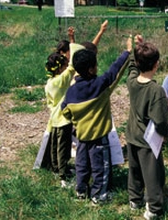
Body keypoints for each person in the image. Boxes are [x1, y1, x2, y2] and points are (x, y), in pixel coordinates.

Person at [61, 35, 132, 205]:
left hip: (81, 136)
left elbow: (65, 112)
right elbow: (115, 70)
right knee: (101, 167)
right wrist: (128, 51)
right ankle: (99, 195)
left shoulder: (71, 92)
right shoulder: (100, 85)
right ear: (92, 69)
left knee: (82, 164)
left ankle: (81, 190)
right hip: (99, 137)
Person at [126, 35, 168, 220]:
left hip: (131, 134)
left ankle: (134, 199)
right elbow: (161, 120)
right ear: (157, 64)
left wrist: (134, 49)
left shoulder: (132, 81)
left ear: (138, 63)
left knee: (134, 169)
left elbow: (131, 67)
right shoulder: (156, 90)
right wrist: (166, 134)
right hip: (148, 139)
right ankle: (154, 208)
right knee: (151, 173)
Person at [44, 52, 76, 188]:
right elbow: (72, 67)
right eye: (63, 65)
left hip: (54, 119)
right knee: (63, 147)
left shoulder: (49, 83)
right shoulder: (61, 81)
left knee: (55, 146)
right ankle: (64, 177)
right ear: (59, 68)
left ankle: (57, 169)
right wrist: (73, 44)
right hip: (63, 119)